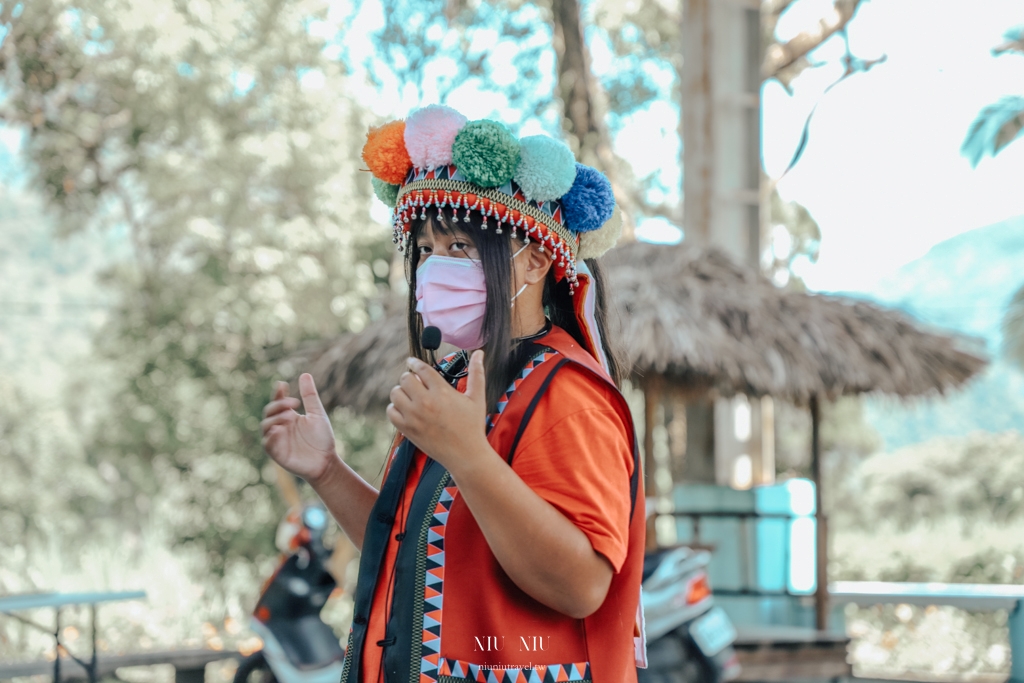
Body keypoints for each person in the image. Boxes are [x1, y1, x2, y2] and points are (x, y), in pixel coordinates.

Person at [260, 105, 646, 683]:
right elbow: (408, 553)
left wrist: (468, 454)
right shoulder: (460, 386)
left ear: (535, 260)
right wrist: (327, 470)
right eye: (427, 250)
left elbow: (582, 585)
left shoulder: (569, 396)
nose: (436, 269)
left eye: (461, 248)